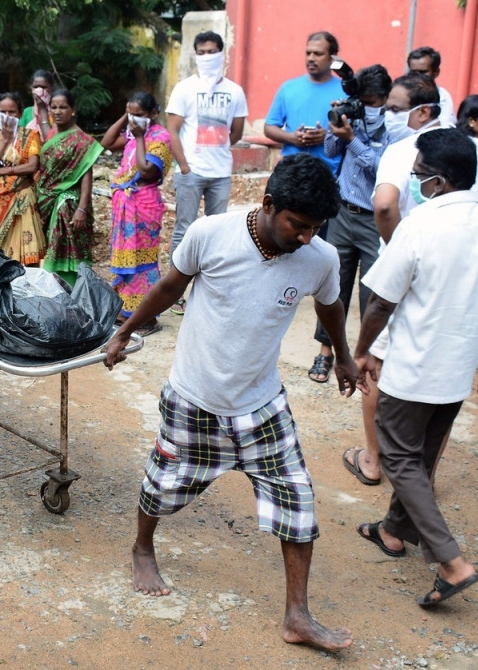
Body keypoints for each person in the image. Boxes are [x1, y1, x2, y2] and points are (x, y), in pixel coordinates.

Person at [104, 153, 357, 653]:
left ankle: (297, 615)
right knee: (162, 483)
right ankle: (142, 546)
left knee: (298, 501)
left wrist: (344, 356)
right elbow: (169, 286)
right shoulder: (211, 234)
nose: (306, 237)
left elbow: (329, 303)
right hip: (194, 396)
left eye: (316, 228)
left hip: (261, 404)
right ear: (268, 205)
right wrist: (124, 331)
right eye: (298, 225)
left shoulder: (320, 258)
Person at [342, 72, 478, 486]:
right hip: (465, 278)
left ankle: (375, 461)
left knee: (378, 361)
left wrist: (401, 249)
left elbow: (383, 206)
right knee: (446, 373)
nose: (387, 116)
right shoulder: (475, 150)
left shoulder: (404, 150)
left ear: (423, 111)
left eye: (394, 109)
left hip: (408, 273)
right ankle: (424, 474)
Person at [354, 129, 478, 607]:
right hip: (458, 368)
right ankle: (392, 530)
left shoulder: (421, 224)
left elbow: (381, 300)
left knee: (401, 458)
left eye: (419, 175)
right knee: (422, 456)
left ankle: (451, 562)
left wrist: (363, 351)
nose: (414, 181)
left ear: (441, 181)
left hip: (413, 366)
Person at [307, 65, 393, 387]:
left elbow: (382, 168)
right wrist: (337, 130)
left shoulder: (394, 125)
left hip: (375, 218)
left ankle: (366, 354)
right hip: (344, 212)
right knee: (333, 286)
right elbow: (331, 151)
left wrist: (354, 139)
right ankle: (325, 350)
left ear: (384, 98)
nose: (366, 106)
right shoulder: (351, 116)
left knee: (372, 291)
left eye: (371, 101)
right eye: (362, 100)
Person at [165, 30, 247, 315]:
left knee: (217, 232)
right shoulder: (184, 88)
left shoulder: (235, 91)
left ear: (222, 54)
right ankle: (175, 292)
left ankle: (211, 289)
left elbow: (235, 132)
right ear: (196, 55)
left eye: (212, 51)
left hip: (220, 172)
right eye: (201, 52)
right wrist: (185, 166)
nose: (207, 57)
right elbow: (172, 131)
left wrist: (219, 152)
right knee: (184, 230)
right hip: (191, 172)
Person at [101, 91, 172, 334]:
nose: (134, 119)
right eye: (131, 113)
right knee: (127, 258)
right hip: (126, 205)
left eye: (139, 114)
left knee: (142, 261)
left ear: (153, 113)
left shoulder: (161, 137)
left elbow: (147, 169)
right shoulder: (132, 134)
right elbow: (107, 142)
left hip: (145, 205)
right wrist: (126, 117)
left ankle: (147, 317)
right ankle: (128, 312)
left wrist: (140, 137)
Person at [35, 89, 102, 286]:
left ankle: (71, 291)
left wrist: (81, 208)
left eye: (63, 107)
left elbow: (86, 176)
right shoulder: (54, 134)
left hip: (68, 204)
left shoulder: (82, 141)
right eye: (53, 107)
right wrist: (40, 108)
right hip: (45, 199)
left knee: (64, 251)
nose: (57, 111)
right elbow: (48, 134)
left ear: (73, 110)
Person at [264, 31, 344, 175]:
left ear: (332, 58)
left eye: (318, 54)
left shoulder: (345, 91)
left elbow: (357, 134)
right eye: (308, 53)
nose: (311, 58)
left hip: (331, 173)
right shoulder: (288, 88)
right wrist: (292, 138)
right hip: (292, 172)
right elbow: (269, 127)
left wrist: (327, 137)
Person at [0, 92, 45, 266]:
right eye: (3, 112)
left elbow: (32, 166)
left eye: (12, 112)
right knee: (4, 251)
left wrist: (3, 170)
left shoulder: (31, 136)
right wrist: (5, 142)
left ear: (20, 113)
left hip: (22, 197)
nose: (7, 117)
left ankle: (30, 283)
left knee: (28, 248)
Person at [407, 46, 457, 127]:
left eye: (422, 72)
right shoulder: (399, 95)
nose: (417, 76)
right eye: (413, 72)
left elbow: (445, 126)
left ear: (436, 72)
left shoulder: (443, 96)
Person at [19, 69, 56, 142]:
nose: (39, 90)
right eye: (36, 87)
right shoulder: (27, 112)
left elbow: (54, 140)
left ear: (51, 88)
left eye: (43, 87)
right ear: (31, 89)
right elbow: (21, 138)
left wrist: (42, 109)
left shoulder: (56, 111)